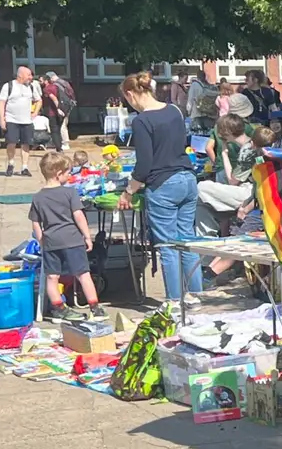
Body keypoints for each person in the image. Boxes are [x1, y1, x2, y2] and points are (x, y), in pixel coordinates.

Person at [117, 71, 203, 300]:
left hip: (163, 184)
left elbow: (144, 164)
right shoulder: (174, 110)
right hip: (187, 178)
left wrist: (128, 192)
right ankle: (198, 299)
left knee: (168, 247)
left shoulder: (141, 121)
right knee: (188, 241)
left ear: (130, 94)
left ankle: (174, 303)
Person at [30, 151, 104, 322]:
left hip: (51, 241)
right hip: (72, 239)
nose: (70, 176)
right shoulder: (70, 193)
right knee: (83, 274)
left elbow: (36, 223)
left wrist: (41, 242)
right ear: (58, 174)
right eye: (68, 172)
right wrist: (87, 236)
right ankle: (95, 308)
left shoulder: (38, 197)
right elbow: (79, 216)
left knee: (52, 277)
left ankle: (58, 308)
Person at [0, 64, 42, 177]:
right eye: (28, 75)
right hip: (11, 119)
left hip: (27, 121)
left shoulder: (31, 87)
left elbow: (39, 100)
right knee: (11, 142)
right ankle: (11, 164)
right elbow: (1, 103)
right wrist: (2, 118)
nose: (31, 77)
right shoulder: (8, 86)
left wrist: (35, 112)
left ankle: (24, 167)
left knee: (26, 144)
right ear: (20, 75)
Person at [42, 71, 75, 150]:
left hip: (60, 108)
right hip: (67, 105)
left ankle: (64, 143)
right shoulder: (64, 82)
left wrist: (58, 108)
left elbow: (55, 98)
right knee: (63, 124)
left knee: (62, 126)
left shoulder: (56, 85)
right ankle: (61, 143)